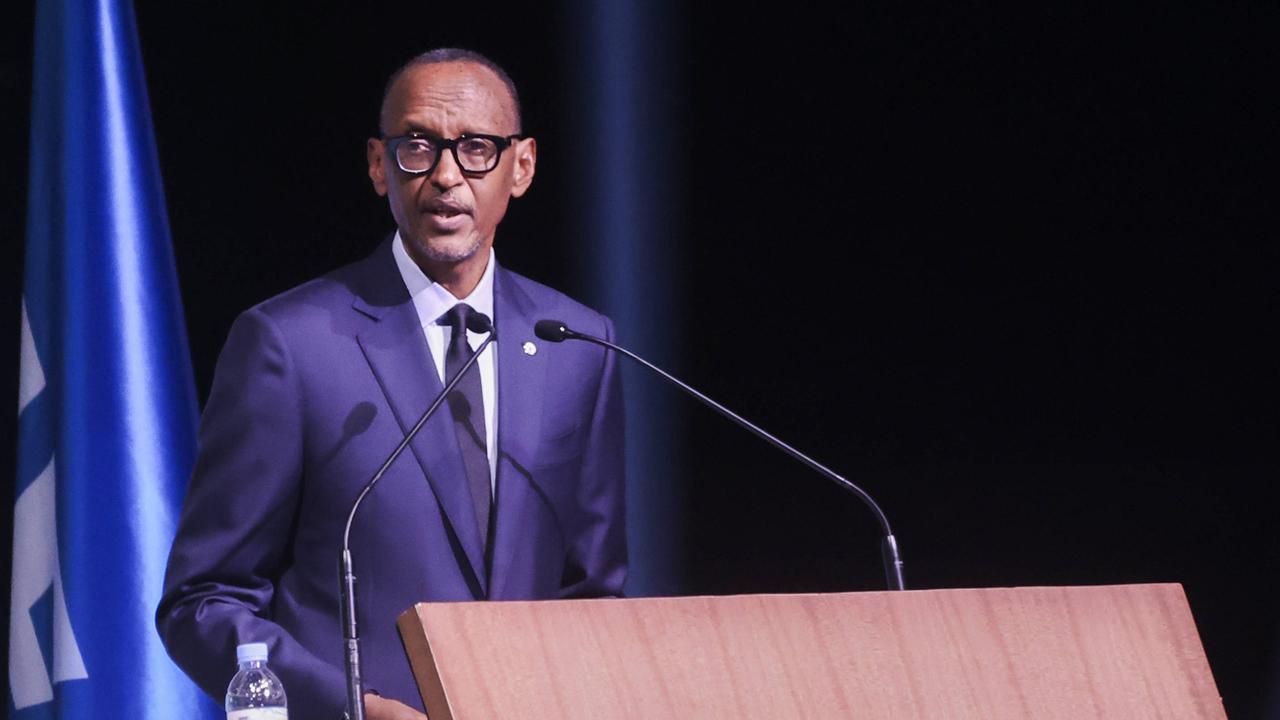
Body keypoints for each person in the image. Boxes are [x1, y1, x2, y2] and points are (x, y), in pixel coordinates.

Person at [156, 48, 627, 719]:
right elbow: (203, 601)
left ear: (521, 166)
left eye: (476, 149)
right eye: (418, 147)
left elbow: (594, 597)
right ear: (380, 165)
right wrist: (353, 708)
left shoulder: (577, 345)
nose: (446, 176)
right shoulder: (289, 344)